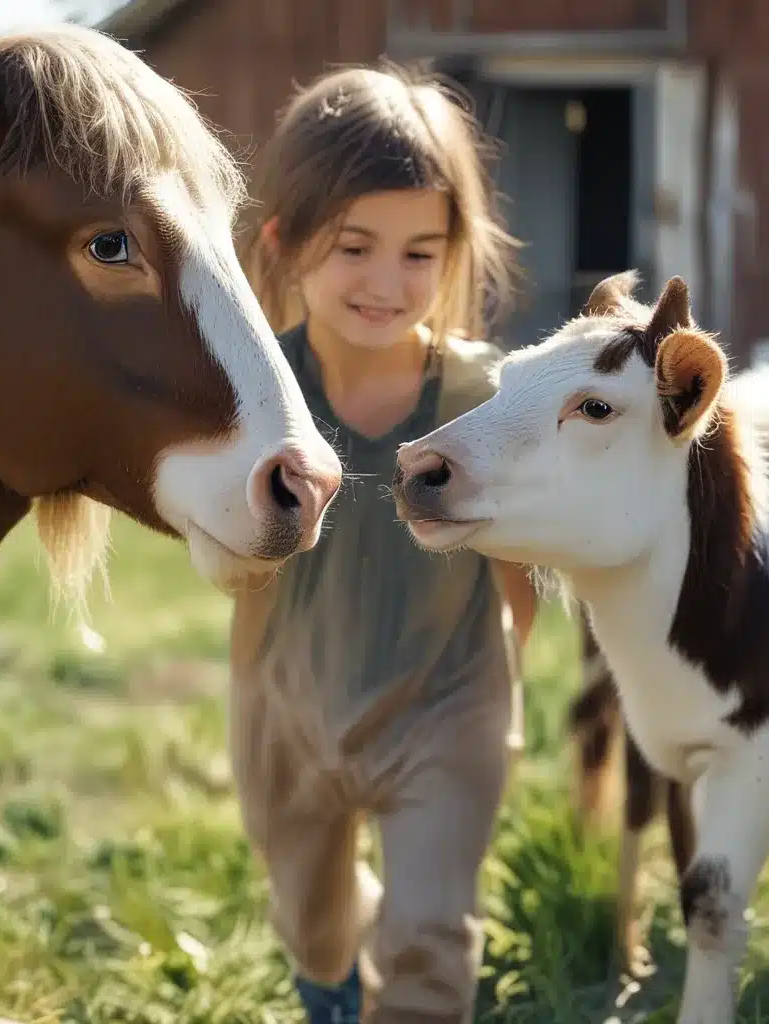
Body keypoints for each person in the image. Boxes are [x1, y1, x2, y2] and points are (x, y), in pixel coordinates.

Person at [229, 62, 538, 1024]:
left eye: (419, 253)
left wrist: (495, 691)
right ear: (283, 239)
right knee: (312, 922)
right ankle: (331, 981)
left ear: (455, 252)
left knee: (430, 935)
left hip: (447, 707)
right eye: (354, 246)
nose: (385, 282)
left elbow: (519, 570)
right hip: (289, 708)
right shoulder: (255, 393)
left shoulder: (485, 399)